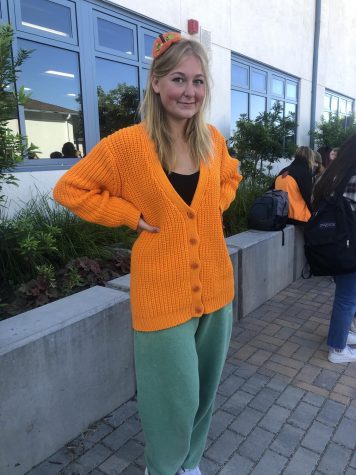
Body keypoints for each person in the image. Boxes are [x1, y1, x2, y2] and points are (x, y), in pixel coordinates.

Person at [53, 32, 242, 475]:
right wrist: (128, 214)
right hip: (160, 294)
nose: (190, 91)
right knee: (171, 401)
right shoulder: (127, 146)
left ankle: (190, 463)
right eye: (179, 79)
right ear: (156, 82)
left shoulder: (212, 140)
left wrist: (215, 202)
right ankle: (162, 468)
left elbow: (231, 177)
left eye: (198, 81)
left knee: (205, 393)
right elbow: (70, 188)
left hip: (216, 287)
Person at [313, 134, 356, 363]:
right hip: (350, 245)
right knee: (347, 299)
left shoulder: (335, 173)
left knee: (345, 296)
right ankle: (338, 350)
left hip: (336, 244)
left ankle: (340, 335)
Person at [273, 146, 314, 225]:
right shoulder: (304, 173)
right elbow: (308, 197)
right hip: (298, 218)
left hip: (281, 215)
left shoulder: (284, 171)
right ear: (310, 158)